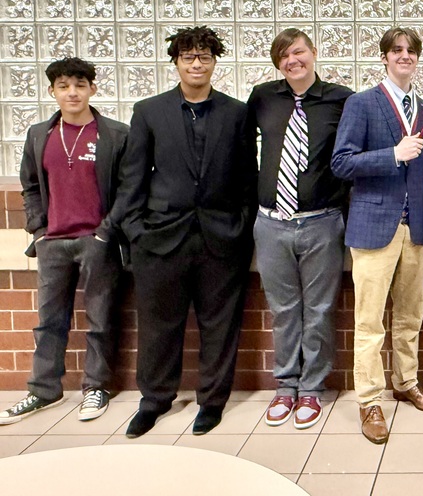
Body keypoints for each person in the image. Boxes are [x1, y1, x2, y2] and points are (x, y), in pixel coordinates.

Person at [119, 26, 257, 438]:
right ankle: (155, 400)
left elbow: (247, 176)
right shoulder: (149, 111)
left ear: (215, 62)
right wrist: (136, 230)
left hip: (221, 237)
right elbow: (133, 178)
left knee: (219, 324)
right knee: (159, 324)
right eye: (188, 57)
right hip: (161, 238)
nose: (196, 63)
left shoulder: (236, 112)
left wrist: (241, 226)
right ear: (176, 62)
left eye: (204, 56)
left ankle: (212, 402)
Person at [0, 58, 129, 425]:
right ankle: (43, 390)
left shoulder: (115, 134)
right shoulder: (39, 134)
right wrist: (39, 231)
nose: (72, 92)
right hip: (53, 241)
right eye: (63, 86)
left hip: (97, 240)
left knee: (100, 317)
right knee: (49, 321)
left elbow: (129, 189)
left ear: (92, 89)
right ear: (52, 91)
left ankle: (96, 388)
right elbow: (30, 186)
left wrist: (106, 231)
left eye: (79, 84)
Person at [332, 27, 423, 444]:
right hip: (374, 226)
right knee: (370, 320)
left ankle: (407, 381)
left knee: (410, 315)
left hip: (415, 230)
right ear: (384, 58)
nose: (404, 57)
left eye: (411, 51)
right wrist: (392, 155)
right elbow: (341, 163)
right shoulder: (362, 104)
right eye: (396, 51)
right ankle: (369, 400)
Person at [248, 29, 353, 429]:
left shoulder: (341, 100)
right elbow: (244, 153)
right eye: (284, 56)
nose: (293, 60)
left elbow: (350, 156)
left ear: (313, 53)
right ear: (278, 63)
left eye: (298, 52)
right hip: (271, 224)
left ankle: (311, 388)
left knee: (320, 309)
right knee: (284, 309)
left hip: (322, 223)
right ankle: (285, 386)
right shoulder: (262, 98)